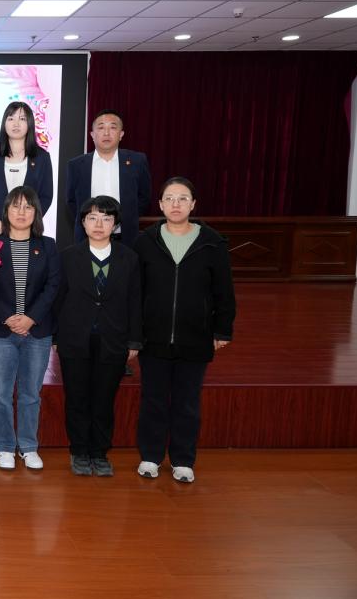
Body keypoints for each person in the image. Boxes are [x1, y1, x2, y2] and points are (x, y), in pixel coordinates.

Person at [135, 177, 236, 483]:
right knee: (153, 400)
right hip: (153, 336)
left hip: (196, 336)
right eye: (169, 198)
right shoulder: (145, 241)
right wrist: (134, 333)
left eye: (182, 198)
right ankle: (150, 456)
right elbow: (135, 292)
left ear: (193, 204)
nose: (175, 204)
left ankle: (182, 460)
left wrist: (222, 330)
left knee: (187, 402)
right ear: (160, 204)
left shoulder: (212, 243)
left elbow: (224, 292)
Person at [54, 196, 141, 477]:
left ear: (115, 224)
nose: (99, 224)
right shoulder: (68, 256)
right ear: (83, 223)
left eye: (106, 218)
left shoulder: (129, 258)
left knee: (104, 399)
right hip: (74, 338)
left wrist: (134, 340)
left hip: (113, 339)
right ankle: (79, 451)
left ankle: (100, 453)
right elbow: (58, 298)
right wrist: (55, 337)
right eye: (92, 218)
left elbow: (135, 301)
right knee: (77, 398)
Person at [0, 186, 60, 471]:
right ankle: (4, 446)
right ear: (6, 211)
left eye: (28, 206)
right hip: (1, 331)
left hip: (37, 331)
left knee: (30, 393)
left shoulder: (48, 245)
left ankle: (28, 446)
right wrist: (8, 317)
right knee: (1, 393)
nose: (22, 212)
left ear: (36, 212)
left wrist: (30, 318)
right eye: (16, 206)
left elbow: (53, 285)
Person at [65, 109, 150, 248]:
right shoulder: (76, 165)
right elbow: (72, 201)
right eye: (101, 127)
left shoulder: (137, 161)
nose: (106, 133)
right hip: (88, 239)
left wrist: (126, 218)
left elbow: (144, 198)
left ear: (121, 134)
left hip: (126, 238)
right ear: (92, 135)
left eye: (112, 127)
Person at [0, 101, 54, 240]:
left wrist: (28, 223)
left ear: (30, 123)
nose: (16, 124)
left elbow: (45, 196)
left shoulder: (42, 157)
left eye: (22, 119)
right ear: (4, 123)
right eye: (11, 118)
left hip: (28, 232)